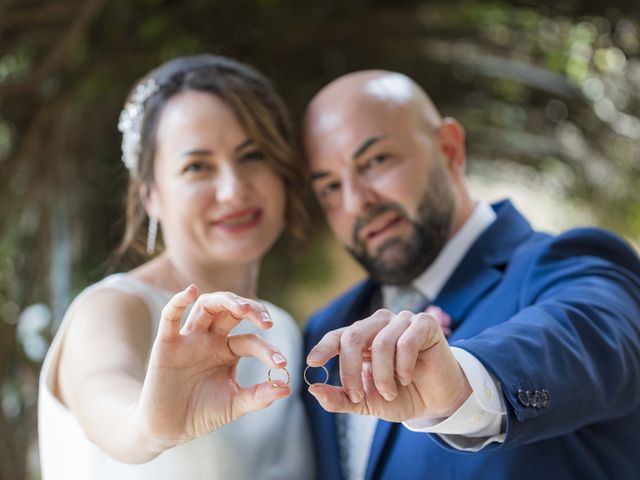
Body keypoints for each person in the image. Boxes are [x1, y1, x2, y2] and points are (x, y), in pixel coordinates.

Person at [300, 70, 640, 480]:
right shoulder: (324, 330)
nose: (356, 203)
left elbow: (590, 331)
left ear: (449, 149)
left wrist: (463, 382)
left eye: (375, 161)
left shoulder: (568, 263)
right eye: (330, 188)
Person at [38, 54, 313, 479]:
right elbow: (102, 391)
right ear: (151, 195)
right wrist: (148, 425)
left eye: (253, 155)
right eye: (197, 167)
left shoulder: (283, 331)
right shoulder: (113, 308)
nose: (233, 190)